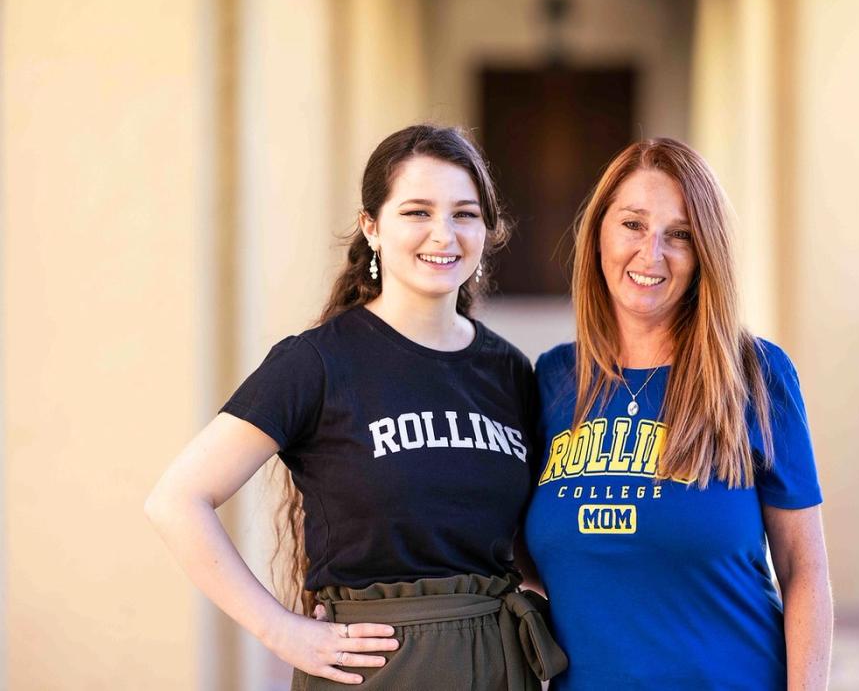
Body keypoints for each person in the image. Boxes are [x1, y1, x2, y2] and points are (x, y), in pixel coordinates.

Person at [145, 124, 564, 690]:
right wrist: (281, 631)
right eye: (417, 212)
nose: (443, 234)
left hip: (496, 664)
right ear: (372, 227)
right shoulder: (317, 362)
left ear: (487, 230)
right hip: (376, 672)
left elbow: (526, 539)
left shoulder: (509, 369)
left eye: (465, 214)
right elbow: (176, 500)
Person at [524, 138, 833, 689]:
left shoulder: (756, 375)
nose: (652, 254)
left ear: (703, 253)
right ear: (598, 233)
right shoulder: (552, 380)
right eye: (633, 225)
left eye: (680, 235)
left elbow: (803, 571)